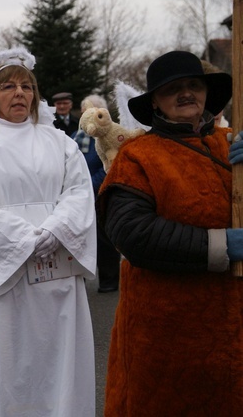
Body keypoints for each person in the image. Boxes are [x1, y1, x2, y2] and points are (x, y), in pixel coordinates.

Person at [0, 47, 96, 416]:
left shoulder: (59, 142)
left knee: (58, 357)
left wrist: (57, 230)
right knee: (3, 357)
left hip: (56, 272)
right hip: (5, 273)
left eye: (27, 86)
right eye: (9, 86)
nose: (19, 93)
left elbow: (79, 191)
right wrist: (27, 240)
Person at [98, 50, 243, 415]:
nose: (186, 94)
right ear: (156, 104)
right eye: (172, 89)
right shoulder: (139, 156)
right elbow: (132, 233)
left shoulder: (231, 144)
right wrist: (222, 244)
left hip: (232, 332)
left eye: (194, 85)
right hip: (165, 336)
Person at [72, 94, 121, 293]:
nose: (87, 116)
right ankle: (77, 280)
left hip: (99, 195)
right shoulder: (75, 137)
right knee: (76, 240)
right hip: (77, 198)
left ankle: (109, 280)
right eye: (85, 112)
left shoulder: (108, 137)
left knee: (104, 241)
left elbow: (108, 167)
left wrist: (87, 187)